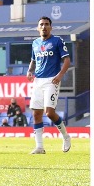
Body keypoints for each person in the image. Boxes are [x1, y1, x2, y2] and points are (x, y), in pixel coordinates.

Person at [27, 17, 71, 154]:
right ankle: (39, 147)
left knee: (49, 112)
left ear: (51, 27)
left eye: (46, 24)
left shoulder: (57, 41)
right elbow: (33, 60)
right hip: (38, 80)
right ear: (37, 28)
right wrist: (29, 71)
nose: (44, 27)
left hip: (52, 80)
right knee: (36, 114)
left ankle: (66, 137)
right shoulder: (35, 43)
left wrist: (60, 75)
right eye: (41, 24)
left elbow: (67, 60)